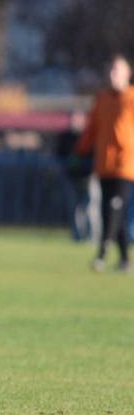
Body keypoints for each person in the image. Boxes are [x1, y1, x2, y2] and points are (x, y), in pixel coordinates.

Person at [75, 54, 134, 272]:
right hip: (104, 163)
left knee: (114, 208)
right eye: (110, 71)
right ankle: (126, 260)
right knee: (110, 210)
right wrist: (80, 151)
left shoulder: (131, 98)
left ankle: (101, 254)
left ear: (128, 74)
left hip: (126, 165)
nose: (112, 75)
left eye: (117, 71)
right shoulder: (102, 99)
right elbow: (92, 129)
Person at [57, 110, 100, 242]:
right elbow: (59, 154)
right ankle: (77, 237)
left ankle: (93, 237)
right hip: (72, 177)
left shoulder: (90, 135)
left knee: (91, 208)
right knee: (74, 208)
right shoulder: (66, 136)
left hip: (89, 176)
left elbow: (96, 153)